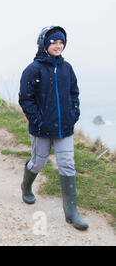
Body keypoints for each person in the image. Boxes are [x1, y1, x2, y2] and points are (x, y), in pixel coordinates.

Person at [18, 26, 88, 230]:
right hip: (41, 129)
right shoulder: (34, 69)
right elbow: (25, 98)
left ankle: (71, 212)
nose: (58, 46)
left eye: (61, 42)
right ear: (44, 44)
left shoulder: (67, 68)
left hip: (65, 128)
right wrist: (38, 121)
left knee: (67, 164)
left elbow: (74, 93)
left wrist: (74, 114)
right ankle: (26, 185)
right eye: (54, 42)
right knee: (38, 163)